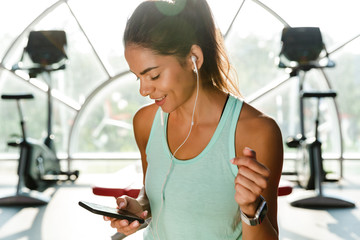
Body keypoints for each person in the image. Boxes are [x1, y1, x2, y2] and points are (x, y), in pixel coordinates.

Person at [104, 0, 283, 239]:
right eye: (139, 77)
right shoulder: (145, 123)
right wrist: (139, 209)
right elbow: (152, 196)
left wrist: (251, 209)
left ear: (193, 59)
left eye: (154, 75)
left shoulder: (256, 132)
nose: (143, 90)